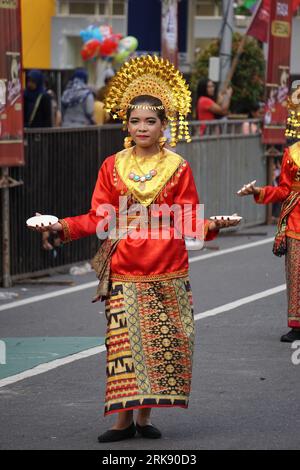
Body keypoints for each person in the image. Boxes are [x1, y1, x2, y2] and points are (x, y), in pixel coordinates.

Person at [28, 56, 240, 442]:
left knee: (162, 345)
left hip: (167, 266)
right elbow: (98, 216)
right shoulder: (112, 166)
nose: (142, 127)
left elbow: (188, 216)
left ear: (164, 126)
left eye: (150, 121)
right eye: (135, 121)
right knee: (122, 346)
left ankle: (144, 417)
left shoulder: (178, 167)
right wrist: (62, 224)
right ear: (126, 124)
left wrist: (211, 225)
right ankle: (122, 422)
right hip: (125, 267)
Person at [238, 88, 300, 343]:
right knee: (296, 276)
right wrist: (259, 191)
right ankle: (297, 326)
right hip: (296, 222)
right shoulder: (292, 153)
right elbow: (285, 190)